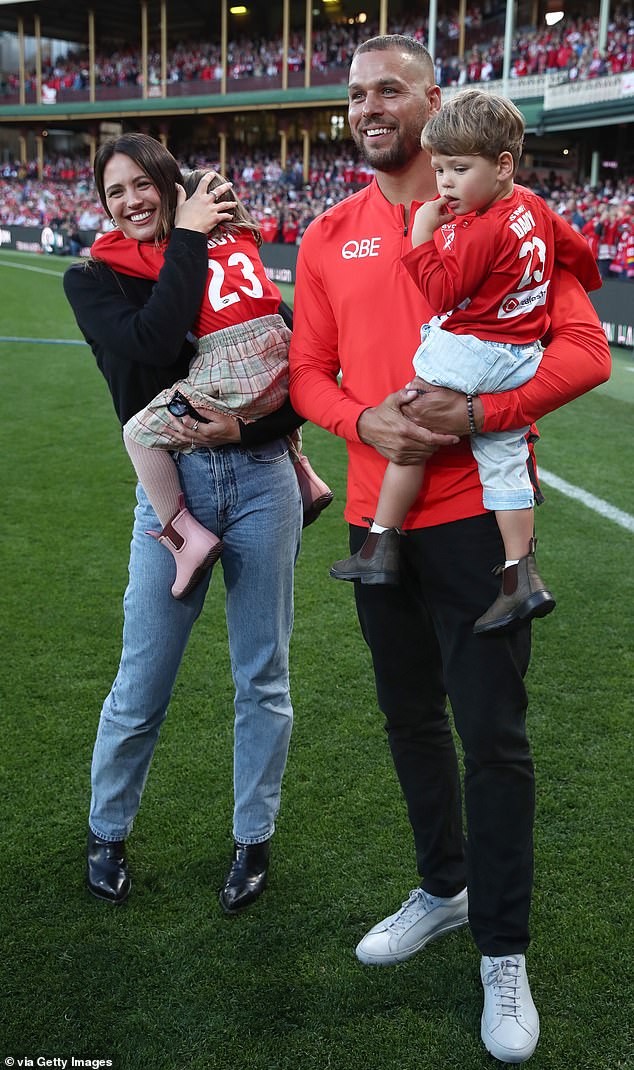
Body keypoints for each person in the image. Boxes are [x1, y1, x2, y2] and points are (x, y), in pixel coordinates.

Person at [289, 36, 610, 1065]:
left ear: (435, 104)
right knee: (408, 719)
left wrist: (484, 407)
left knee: (494, 736)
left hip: (477, 522)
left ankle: (502, 950)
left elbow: (586, 348)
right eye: (355, 93)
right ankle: (443, 886)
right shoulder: (329, 231)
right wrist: (357, 421)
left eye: (389, 89)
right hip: (376, 522)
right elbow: (306, 369)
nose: (368, 106)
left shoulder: (513, 222)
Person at [64, 132, 304, 916]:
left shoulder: (224, 262)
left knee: (262, 676)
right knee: (142, 680)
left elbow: (291, 376)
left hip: (261, 479)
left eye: (143, 184)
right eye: (114, 192)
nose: (130, 201)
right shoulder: (94, 279)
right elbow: (155, 343)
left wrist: (248, 434)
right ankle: (107, 832)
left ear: (171, 183)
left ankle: (252, 841)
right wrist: (192, 238)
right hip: (173, 496)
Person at [329, 89, 601, 635]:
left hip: (471, 349)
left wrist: (421, 237)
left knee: (410, 426)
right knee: (505, 461)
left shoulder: (480, 227)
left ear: (502, 165)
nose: (445, 182)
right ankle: (519, 575)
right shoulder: (531, 204)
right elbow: (576, 249)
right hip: (519, 353)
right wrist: (578, 279)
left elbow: (441, 292)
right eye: (439, 168)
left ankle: (381, 542)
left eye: (457, 168)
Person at [91, 168, 332, 599]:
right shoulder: (245, 235)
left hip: (230, 354)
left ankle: (183, 538)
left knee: (138, 434)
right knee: (275, 391)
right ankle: (303, 473)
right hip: (278, 337)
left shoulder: (176, 247)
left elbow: (107, 247)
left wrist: (183, 226)